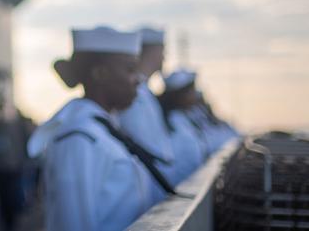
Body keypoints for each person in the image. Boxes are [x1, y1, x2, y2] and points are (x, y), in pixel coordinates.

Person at [27, 26, 166, 231]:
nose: (137, 79)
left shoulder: (104, 130)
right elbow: (72, 225)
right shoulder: (78, 138)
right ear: (100, 73)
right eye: (129, 69)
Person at [117, 27, 173, 164]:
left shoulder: (144, 92)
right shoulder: (133, 94)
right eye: (162, 51)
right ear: (152, 52)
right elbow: (145, 147)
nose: (165, 57)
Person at [157, 68, 207, 185]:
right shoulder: (173, 122)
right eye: (191, 91)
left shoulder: (183, 118)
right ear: (179, 95)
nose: (195, 95)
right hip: (181, 185)